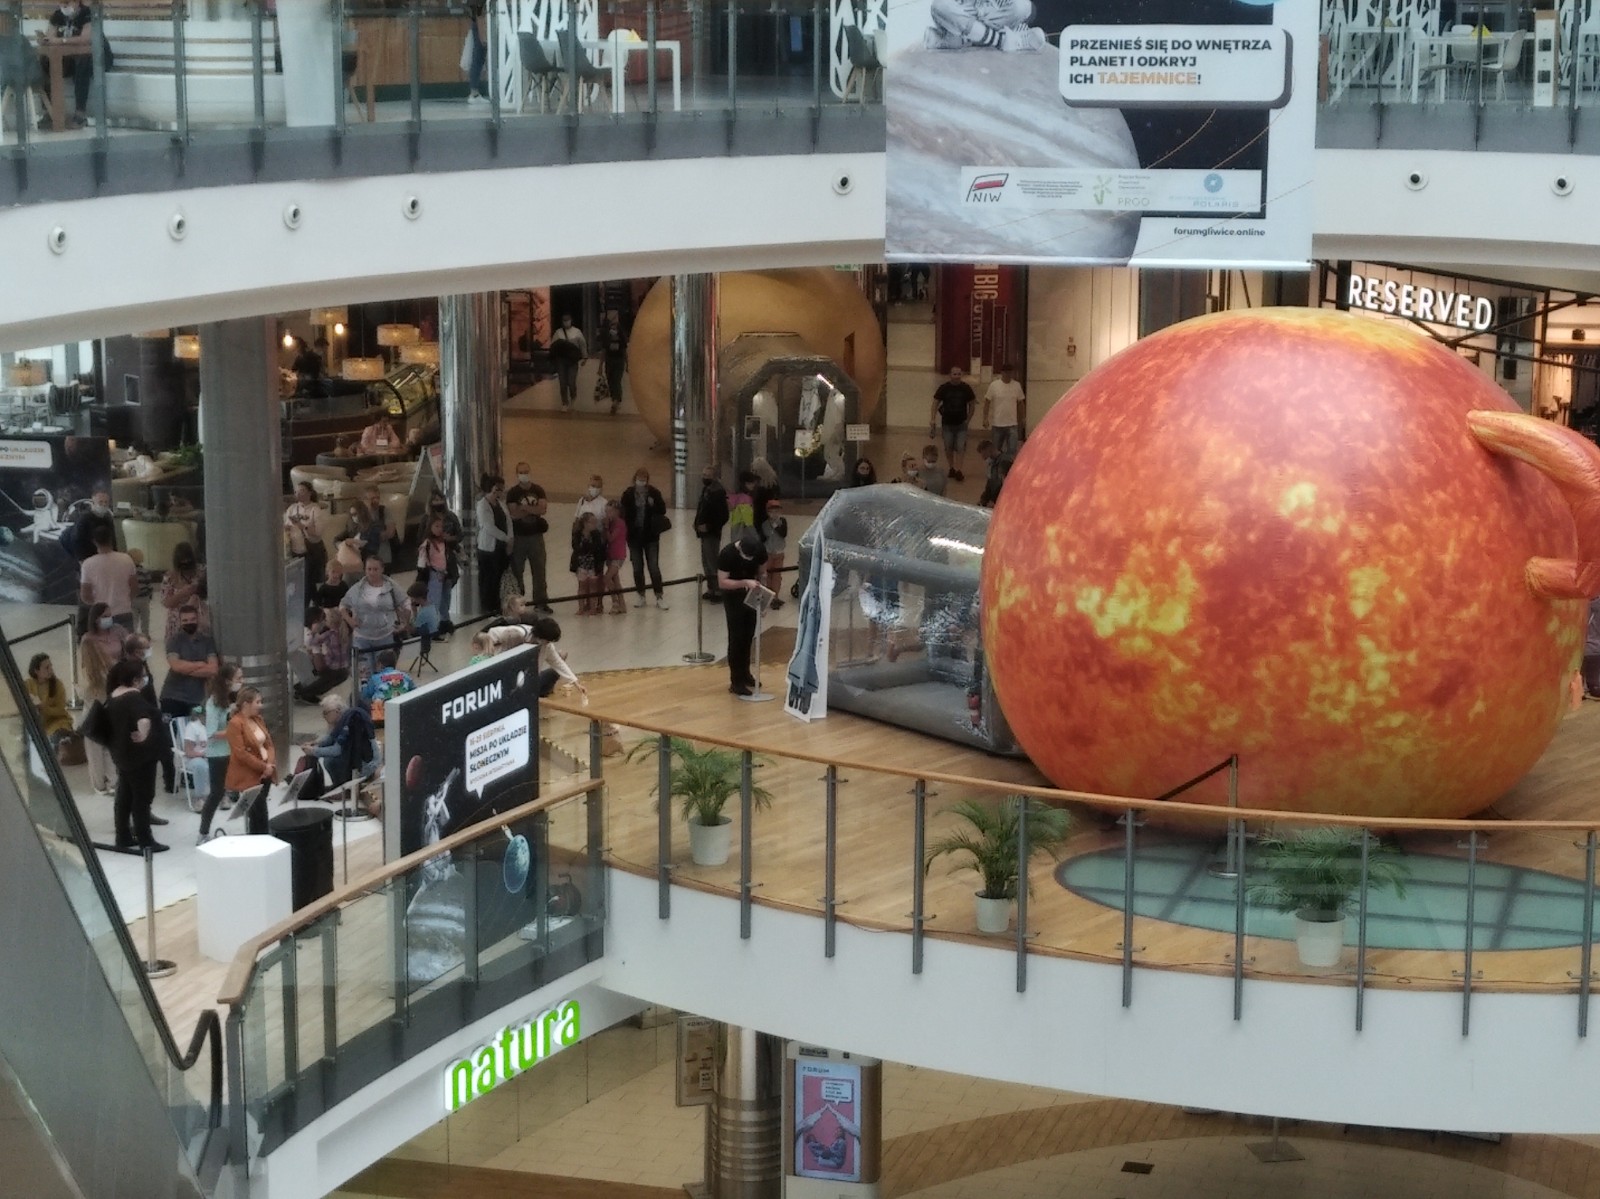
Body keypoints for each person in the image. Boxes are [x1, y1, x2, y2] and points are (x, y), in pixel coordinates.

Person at [106, 657, 164, 851]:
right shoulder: (133, 697)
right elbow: (144, 719)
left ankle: (122, 836)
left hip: (121, 754)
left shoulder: (113, 695)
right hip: (140, 757)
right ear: (136, 679)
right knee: (142, 798)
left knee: (124, 796)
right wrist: (144, 735)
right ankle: (146, 840)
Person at [78, 601, 125, 796]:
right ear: (95, 619)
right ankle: (99, 783)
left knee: (110, 738)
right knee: (94, 738)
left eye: (110, 614)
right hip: (97, 692)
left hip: (114, 688)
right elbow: (87, 669)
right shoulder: (88, 641)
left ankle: (113, 780)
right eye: (105, 615)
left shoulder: (118, 632)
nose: (109, 618)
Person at [340, 554, 411, 679]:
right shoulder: (357, 588)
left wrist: (404, 623)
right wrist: (350, 620)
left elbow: (406, 602)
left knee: (385, 674)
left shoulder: (392, 586)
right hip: (362, 638)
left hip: (385, 636)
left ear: (382, 569)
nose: (372, 572)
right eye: (369, 569)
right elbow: (343, 605)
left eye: (375, 569)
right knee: (365, 675)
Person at [297, 693, 377, 805]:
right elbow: (331, 738)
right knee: (331, 759)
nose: (324, 716)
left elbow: (337, 750)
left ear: (337, 710)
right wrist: (316, 743)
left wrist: (314, 751)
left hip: (366, 764)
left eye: (326, 713)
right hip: (356, 759)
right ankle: (339, 786)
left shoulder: (349, 722)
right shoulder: (342, 720)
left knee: (330, 761)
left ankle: (348, 790)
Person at [717, 528, 769, 697]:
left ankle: (746, 673)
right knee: (736, 636)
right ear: (739, 549)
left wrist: (762, 596)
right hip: (733, 597)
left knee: (748, 635)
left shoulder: (759, 550)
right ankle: (736, 680)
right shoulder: (727, 554)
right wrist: (744, 582)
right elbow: (723, 582)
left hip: (751, 594)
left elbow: (762, 572)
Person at [195, 663, 241, 840]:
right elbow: (212, 733)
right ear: (228, 681)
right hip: (219, 754)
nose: (241, 682)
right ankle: (203, 832)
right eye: (238, 679)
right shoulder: (214, 703)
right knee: (216, 793)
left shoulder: (232, 698)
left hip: (233, 751)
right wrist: (235, 730)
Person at [223, 686, 275, 838]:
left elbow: (269, 744)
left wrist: (269, 765)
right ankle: (260, 840)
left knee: (260, 809)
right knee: (258, 812)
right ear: (246, 704)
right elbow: (240, 753)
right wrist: (263, 766)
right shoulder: (235, 723)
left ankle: (261, 838)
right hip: (249, 774)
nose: (261, 705)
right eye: (257, 702)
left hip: (266, 771)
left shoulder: (258, 720)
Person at [39, 4, 99, 130]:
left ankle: (80, 114)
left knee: (83, 62)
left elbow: (86, 39)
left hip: (92, 58)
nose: (64, 5)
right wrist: (46, 40)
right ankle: (49, 112)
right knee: (44, 61)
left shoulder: (87, 13)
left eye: (67, 2)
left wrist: (61, 41)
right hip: (67, 57)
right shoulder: (57, 15)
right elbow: (51, 35)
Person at [158, 602, 218, 726]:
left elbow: (213, 669)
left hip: (196, 699)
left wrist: (185, 668)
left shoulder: (207, 641)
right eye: (185, 620)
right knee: (173, 737)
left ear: (198, 619)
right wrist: (201, 664)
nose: (189, 622)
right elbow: (175, 666)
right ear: (180, 622)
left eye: (192, 619)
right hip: (172, 697)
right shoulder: (174, 641)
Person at [620, 468, 670, 609]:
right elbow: (623, 512)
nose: (641, 482)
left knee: (653, 566)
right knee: (637, 567)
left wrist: (653, 505)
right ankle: (640, 594)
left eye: (644, 479)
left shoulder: (654, 493)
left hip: (651, 536)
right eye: (639, 479)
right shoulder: (628, 494)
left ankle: (659, 596)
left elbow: (662, 510)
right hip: (634, 537)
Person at [506, 461, 552, 613]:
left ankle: (541, 601)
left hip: (536, 536)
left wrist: (525, 508)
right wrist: (533, 510)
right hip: (519, 537)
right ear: (517, 474)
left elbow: (542, 509)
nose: (524, 474)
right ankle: (518, 602)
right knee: (517, 570)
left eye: (526, 471)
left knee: (539, 569)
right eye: (521, 472)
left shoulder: (538, 490)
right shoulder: (513, 493)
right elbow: (514, 514)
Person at [923, 0, 1045, 51]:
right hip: (965, 14)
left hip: (989, 15)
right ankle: (1001, 40)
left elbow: (1024, 10)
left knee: (1023, 6)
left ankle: (962, 40)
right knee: (939, 5)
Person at [78, 526, 137, 630]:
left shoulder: (88, 564)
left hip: (101, 615)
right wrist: (126, 600)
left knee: (103, 644)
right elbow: (134, 588)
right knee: (126, 644)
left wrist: (97, 604)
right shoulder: (126, 559)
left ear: (94, 541)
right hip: (124, 610)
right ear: (111, 539)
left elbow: (85, 595)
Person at [930, 366, 978, 482]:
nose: (956, 376)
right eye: (954, 374)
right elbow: (935, 403)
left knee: (961, 447)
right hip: (947, 424)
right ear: (950, 375)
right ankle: (951, 467)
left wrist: (968, 419)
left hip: (961, 424)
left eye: (958, 374)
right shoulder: (944, 388)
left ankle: (959, 470)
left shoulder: (966, 388)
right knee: (948, 447)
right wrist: (932, 419)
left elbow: (972, 404)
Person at [295, 605, 350, 704]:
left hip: (313, 665)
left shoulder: (320, 635)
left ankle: (306, 690)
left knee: (340, 673)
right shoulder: (308, 637)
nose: (324, 623)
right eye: (322, 620)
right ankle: (305, 692)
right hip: (308, 667)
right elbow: (319, 666)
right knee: (337, 674)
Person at [474, 474, 512, 614]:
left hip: (501, 548)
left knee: (498, 578)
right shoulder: (482, 505)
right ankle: (487, 608)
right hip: (488, 549)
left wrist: (510, 539)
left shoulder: (501, 503)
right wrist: (505, 538)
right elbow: (487, 526)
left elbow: (508, 522)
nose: (500, 492)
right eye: (497, 489)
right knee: (487, 579)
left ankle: (497, 606)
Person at [159, 541, 209, 641]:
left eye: (188, 562)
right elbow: (166, 603)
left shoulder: (202, 571)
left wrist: (197, 590)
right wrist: (181, 593)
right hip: (177, 621)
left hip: (200, 619)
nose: (185, 566)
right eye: (182, 563)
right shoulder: (170, 577)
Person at [416, 511, 460, 625]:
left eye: (441, 526)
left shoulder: (443, 542)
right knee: (434, 600)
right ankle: (431, 625)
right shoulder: (428, 543)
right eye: (436, 526)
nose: (440, 529)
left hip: (444, 574)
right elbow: (422, 562)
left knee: (445, 599)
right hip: (434, 574)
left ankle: (444, 621)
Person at [529, 616, 587, 700]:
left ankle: (540, 693)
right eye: (548, 641)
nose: (548, 643)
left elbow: (559, 664)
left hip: (532, 680)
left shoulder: (547, 646)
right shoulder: (517, 634)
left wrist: (576, 684)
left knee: (554, 672)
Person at [694, 465, 730, 601]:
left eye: (708, 475)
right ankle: (711, 587)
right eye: (703, 475)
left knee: (712, 561)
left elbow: (722, 515)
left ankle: (718, 590)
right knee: (706, 561)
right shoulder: (707, 490)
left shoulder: (718, 492)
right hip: (704, 532)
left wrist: (708, 526)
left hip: (712, 532)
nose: (705, 478)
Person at [284, 481, 328, 591]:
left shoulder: (315, 509)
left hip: (309, 551)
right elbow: (286, 524)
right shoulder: (292, 508)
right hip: (294, 551)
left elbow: (318, 532)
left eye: (302, 491)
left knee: (308, 582)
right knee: (295, 582)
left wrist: (302, 526)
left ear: (310, 493)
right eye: (296, 491)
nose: (298, 493)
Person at [24, 653, 74, 749]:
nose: (51, 669)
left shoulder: (57, 684)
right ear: (36, 671)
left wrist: (44, 708)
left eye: (51, 666)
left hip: (56, 722)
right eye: (46, 667)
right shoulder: (28, 684)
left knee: (57, 739)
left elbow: (60, 710)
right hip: (36, 723)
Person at [982, 363, 1027, 458]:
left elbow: (1020, 403)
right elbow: (987, 402)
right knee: (995, 451)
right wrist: (985, 418)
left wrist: (1023, 417)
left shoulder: (1016, 385)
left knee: (1012, 450)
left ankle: (1008, 470)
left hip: (1012, 423)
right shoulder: (994, 385)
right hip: (997, 424)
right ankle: (994, 471)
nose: (1008, 374)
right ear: (1002, 373)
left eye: (1010, 372)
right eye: (1006, 372)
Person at [360, 649, 415, 724]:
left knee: (361, 697)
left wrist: (363, 680)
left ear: (380, 664)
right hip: (403, 714)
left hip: (381, 717)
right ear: (395, 662)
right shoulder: (405, 676)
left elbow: (365, 694)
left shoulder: (375, 678)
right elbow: (415, 691)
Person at [570, 511, 607, 615]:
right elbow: (576, 547)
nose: (595, 525)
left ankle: (593, 607)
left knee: (593, 587)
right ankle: (581, 607)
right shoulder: (577, 534)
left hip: (593, 565)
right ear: (585, 523)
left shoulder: (596, 535)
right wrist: (586, 547)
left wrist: (587, 548)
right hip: (581, 564)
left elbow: (597, 548)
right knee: (582, 586)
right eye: (592, 522)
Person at [550, 314, 587, 411]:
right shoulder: (558, 333)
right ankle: (564, 402)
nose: (566, 322)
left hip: (572, 361)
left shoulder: (577, 332)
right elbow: (553, 346)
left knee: (571, 381)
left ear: (571, 321)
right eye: (564, 321)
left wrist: (584, 357)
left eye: (568, 320)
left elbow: (582, 344)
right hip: (561, 360)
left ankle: (573, 396)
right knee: (562, 382)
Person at [760, 497, 788, 609]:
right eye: (772, 512)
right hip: (768, 553)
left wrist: (776, 525)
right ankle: (768, 596)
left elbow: (783, 533)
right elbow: (763, 537)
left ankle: (775, 596)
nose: (775, 514)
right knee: (767, 575)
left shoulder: (783, 522)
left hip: (779, 552)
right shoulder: (765, 524)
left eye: (777, 511)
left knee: (777, 576)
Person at [362, 484, 399, 568]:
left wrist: (375, 535)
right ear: (364, 500)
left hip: (383, 555)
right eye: (372, 498)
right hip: (366, 554)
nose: (375, 501)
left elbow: (390, 532)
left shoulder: (384, 510)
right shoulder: (360, 513)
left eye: (377, 498)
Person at [602, 500, 628, 615]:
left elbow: (611, 538)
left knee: (607, 578)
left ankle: (615, 602)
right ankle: (622, 605)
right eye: (606, 511)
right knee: (615, 580)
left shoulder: (620, 523)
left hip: (618, 555)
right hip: (610, 554)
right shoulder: (610, 523)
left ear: (617, 511)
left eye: (610, 511)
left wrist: (606, 528)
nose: (608, 514)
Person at [598, 309, 626, 414]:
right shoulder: (606, 335)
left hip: (619, 360)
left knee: (617, 380)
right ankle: (614, 398)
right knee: (610, 380)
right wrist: (600, 366)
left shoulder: (621, 335)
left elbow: (624, 349)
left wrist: (627, 363)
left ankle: (616, 400)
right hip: (609, 360)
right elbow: (604, 351)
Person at [976, 439, 1014, 508]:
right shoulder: (992, 463)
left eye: (983, 454)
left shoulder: (1004, 462)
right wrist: (984, 499)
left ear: (988, 450)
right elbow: (990, 482)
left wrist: (994, 500)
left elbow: (1004, 484)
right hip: (995, 496)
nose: (982, 457)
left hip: (1002, 499)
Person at [464, 2, 489, 103]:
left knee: (478, 58)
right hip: (481, 24)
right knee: (478, 58)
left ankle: (474, 91)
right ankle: (474, 92)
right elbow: (479, 13)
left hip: (478, 23)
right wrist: (482, 34)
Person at [128, 548, 152, 635]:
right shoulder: (145, 571)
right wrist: (150, 596)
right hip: (144, 598)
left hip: (132, 598)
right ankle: (145, 633)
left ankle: (133, 633)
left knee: (134, 618)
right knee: (145, 617)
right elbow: (149, 585)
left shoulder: (128, 572)